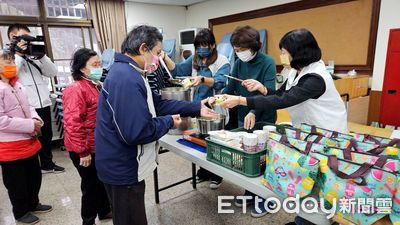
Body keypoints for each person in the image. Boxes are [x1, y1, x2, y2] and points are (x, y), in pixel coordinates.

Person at [220, 28, 348, 224]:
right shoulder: (295, 71)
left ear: (299, 52)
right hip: (309, 133)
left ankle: (310, 221)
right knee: (308, 181)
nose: (282, 56)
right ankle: (303, 220)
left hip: (328, 135)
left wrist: (241, 100)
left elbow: (284, 101)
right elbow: (279, 94)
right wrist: (262, 89)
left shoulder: (316, 77)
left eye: (285, 51)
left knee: (320, 187)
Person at [95, 25, 217, 225]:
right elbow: (137, 132)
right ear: (144, 48)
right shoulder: (126, 78)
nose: (159, 59)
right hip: (123, 167)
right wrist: (169, 121)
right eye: (158, 53)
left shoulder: (130, 71)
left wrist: (197, 107)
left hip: (121, 164)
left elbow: (158, 103)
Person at [162, 28, 230, 189]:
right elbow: (178, 70)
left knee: (214, 143)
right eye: (198, 46)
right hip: (197, 107)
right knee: (200, 141)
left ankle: (217, 175)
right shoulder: (195, 59)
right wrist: (164, 57)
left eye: (204, 46)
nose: (201, 49)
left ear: (213, 45)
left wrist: (202, 79)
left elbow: (220, 82)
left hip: (215, 108)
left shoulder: (222, 61)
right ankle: (203, 172)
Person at [0, 49, 52, 225]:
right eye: (7, 63)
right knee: (16, 182)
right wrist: (30, 125)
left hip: (29, 141)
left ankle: (33, 202)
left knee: (33, 176)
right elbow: (1, 121)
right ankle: (21, 212)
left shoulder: (17, 84)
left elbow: (29, 106)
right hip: (10, 146)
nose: (12, 66)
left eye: (12, 62)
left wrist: (36, 120)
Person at [62, 48, 112, 225]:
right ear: (82, 68)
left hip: (97, 143)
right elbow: (72, 124)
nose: (99, 68)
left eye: (100, 64)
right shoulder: (75, 89)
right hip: (84, 147)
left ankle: (104, 211)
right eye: (95, 65)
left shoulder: (95, 84)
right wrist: (83, 152)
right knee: (90, 186)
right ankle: (88, 220)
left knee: (101, 182)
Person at [8, 24, 65, 173]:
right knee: (30, 138)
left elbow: (52, 72)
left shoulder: (34, 55)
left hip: (43, 102)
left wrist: (42, 56)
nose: (27, 42)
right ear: (13, 38)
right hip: (26, 107)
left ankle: (47, 164)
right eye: (23, 38)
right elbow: (11, 73)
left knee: (46, 136)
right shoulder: (6, 56)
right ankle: (31, 168)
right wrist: (19, 55)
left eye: (29, 38)